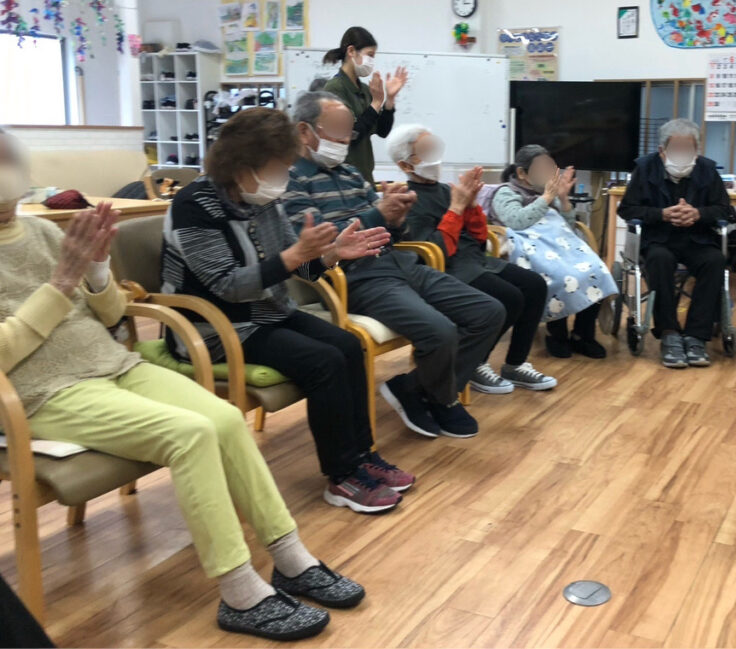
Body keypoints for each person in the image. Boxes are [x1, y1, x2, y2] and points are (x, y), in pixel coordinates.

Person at [0, 127, 358, 641]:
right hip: (44, 392)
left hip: (114, 366)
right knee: (190, 434)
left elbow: (112, 315)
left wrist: (97, 271)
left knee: (225, 419)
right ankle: (239, 591)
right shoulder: (193, 206)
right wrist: (60, 285)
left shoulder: (45, 231)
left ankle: (290, 557)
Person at [162, 108, 415, 515]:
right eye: (276, 168)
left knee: (349, 346)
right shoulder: (194, 205)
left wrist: (331, 255)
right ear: (241, 165)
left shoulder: (262, 198)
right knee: (323, 361)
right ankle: (342, 475)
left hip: (266, 312)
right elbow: (229, 285)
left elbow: (298, 268)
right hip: (215, 327)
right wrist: (297, 254)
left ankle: (362, 456)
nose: (283, 175)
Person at [282, 93, 505, 438]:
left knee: (489, 312)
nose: (346, 139)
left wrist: (396, 219)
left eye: (349, 130)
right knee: (440, 331)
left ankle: (415, 390)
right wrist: (378, 214)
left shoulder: (351, 173)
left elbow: (389, 230)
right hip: (354, 277)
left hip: (396, 262)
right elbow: (315, 245)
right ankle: (441, 399)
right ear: (304, 131)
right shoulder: (290, 181)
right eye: (337, 130)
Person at [387, 124, 557, 394]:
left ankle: (515, 364)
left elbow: (478, 236)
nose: (435, 157)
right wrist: (457, 207)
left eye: (434, 148)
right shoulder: (407, 198)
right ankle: (475, 363)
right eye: (425, 151)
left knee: (535, 284)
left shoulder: (446, 190)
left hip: (475, 260)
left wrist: (473, 204)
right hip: (446, 268)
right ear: (406, 165)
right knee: (511, 297)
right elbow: (436, 251)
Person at [618, 118, 731, 369]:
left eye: (687, 148)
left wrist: (698, 214)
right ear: (662, 150)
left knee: (715, 261)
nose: (682, 153)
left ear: (697, 150)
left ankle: (696, 336)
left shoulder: (707, 169)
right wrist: (662, 214)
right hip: (658, 238)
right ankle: (669, 332)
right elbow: (627, 209)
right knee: (660, 259)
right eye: (676, 148)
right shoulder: (644, 168)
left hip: (697, 237)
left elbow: (725, 210)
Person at [490, 145, 618, 360]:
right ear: (522, 173)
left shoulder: (548, 193)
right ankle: (556, 334)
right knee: (558, 276)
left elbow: (568, 226)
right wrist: (548, 197)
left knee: (597, 270)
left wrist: (564, 199)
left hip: (560, 246)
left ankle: (583, 335)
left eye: (551, 168)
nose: (549, 173)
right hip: (530, 250)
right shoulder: (506, 192)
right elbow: (516, 221)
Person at [321, 26, 407, 185]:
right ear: (351, 51)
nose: (372, 61)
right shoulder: (335, 88)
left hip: (365, 176)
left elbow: (382, 131)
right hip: (344, 179)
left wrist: (389, 100)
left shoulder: (366, 90)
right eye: (370, 55)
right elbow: (351, 134)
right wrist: (376, 103)